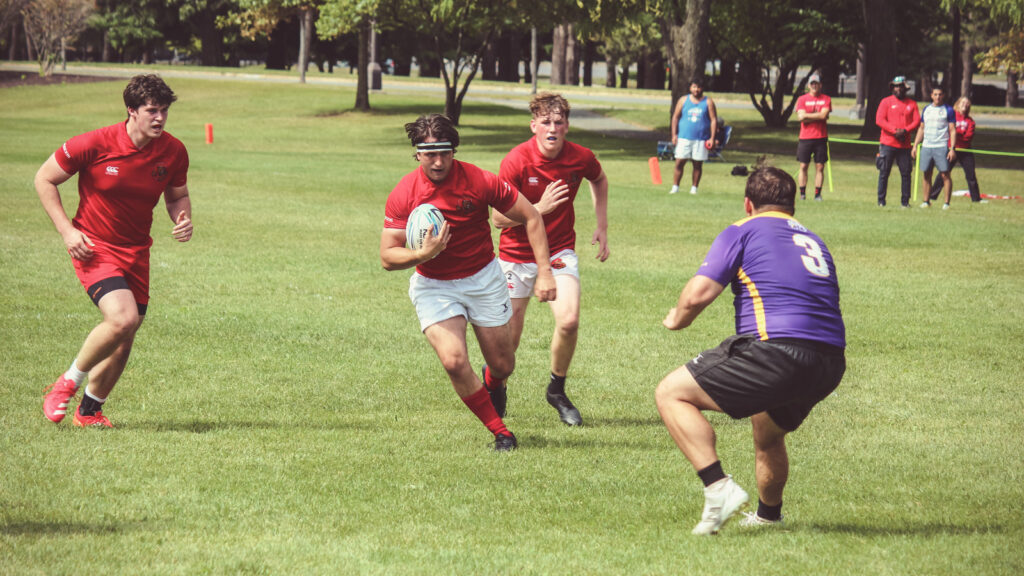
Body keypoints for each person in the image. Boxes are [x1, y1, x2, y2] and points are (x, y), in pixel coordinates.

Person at [655, 166, 846, 535]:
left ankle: (718, 487)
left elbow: (697, 295)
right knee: (767, 429)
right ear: (792, 206)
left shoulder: (743, 229)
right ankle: (769, 517)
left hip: (778, 350)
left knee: (671, 394)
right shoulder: (815, 240)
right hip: (829, 362)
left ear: (748, 204)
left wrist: (676, 319)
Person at [380, 113, 556, 452]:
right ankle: (501, 432)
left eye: (445, 152)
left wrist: (545, 271)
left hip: (483, 278)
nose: (438, 160)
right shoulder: (405, 193)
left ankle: (494, 383)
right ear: (417, 153)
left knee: (504, 364)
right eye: (429, 153)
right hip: (434, 285)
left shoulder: (479, 181)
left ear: (454, 151)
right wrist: (422, 254)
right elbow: (388, 256)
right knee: (453, 361)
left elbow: (531, 216)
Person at [38, 74, 193, 428]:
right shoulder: (94, 143)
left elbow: (177, 195)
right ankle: (65, 386)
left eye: (164, 111)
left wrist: (183, 217)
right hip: (94, 248)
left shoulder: (173, 151)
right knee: (121, 318)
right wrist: (67, 231)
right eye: (151, 110)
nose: (159, 118)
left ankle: (89, 413)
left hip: (137, 251)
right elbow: (43, 178)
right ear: (131, 111)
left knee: (126, 335)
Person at [491, 93, 610, 427]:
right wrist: (537, 209)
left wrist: (601, 225)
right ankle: (496, 383)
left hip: (559, 251)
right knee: (507, 346)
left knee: (569, 320)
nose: (552, 128)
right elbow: (498, 220)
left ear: (567, 126)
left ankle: (556, 389)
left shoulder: (580, 157)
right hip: (516, 256)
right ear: (534, 126)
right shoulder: (516, 161)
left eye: (559, 122)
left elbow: (598, 178)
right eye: (546, 122)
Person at [875, 76, 921, 207]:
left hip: (904, 145)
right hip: (888, 143)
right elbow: (879, 120)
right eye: (896, 86)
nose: (898, 89)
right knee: (884, 172)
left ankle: (905, 202)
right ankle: (881, 201)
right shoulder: (886, 102)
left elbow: (916, 121)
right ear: (892, 88)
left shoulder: (912, 104)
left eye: (901, 86)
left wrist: (905, 130)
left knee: (906, 173)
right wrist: (895, 131)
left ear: (905, 88)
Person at [931, 96, 986, 204]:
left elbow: (968, 136)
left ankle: (976, 199)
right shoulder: (952, 117)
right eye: (963, 103)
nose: (965, 105)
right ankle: (932, 196)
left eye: (967, 104)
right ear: (958, 104)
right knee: (943, 173)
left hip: (966, 151)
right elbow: (947, 131)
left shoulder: (970, 121)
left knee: (971, 175)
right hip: (951, 149)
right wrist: (955, 134)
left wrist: (956, 133)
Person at [669, 78, 717, 195]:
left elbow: (713, 120)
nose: (696, 90)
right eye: (694, 87)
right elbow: (675, 117)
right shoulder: (683, 100)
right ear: (690, 88)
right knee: (679, 162)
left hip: (701, 138)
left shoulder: (708, 102)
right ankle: (675, 187)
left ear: (702, 88)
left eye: (699, 87)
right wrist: (674, 134)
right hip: (684, 137)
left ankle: (694, 188)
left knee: (697, 164)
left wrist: (712, 138)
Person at [913, 87, 956, 209]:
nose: (937, 97)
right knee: (926, 174)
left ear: (943, 95)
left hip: (941, 146)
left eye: (940, 94)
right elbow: (921, 128)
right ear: (931, 95)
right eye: (935, 94)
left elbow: (952, 130)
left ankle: (946, 203)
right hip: (927, 146)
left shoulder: (948, 110)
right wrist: (915, 145)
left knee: (944, 175)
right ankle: (926, 201)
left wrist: (952, 148)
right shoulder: (927, 109)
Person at [794, 73, 831, 201]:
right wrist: (818, 115)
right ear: (809, 85)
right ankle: (802, 193)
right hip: (805, 137)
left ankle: (817, 194)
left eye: (816, 83)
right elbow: (801, 117)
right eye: (812, 83)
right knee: (803, 166)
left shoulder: (826, 99)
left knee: (820, 166)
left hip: (820, 137)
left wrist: (808, 116)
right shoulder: (802, 99)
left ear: (820, 85)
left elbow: (823, 115)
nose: (814, 85)